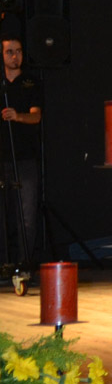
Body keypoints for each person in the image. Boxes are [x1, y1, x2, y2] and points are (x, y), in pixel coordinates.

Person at [0, 35, 42, 276]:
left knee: (26, 214)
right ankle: (5, 263)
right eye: (9, 52)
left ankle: (24, 265)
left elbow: (36, 116)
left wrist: (17, 116)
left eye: (18, 51)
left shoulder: (31, 82)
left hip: (25, 157)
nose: (15, 56)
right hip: (2, 157)